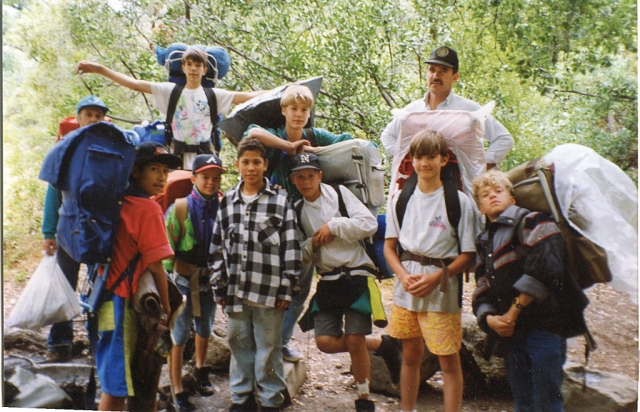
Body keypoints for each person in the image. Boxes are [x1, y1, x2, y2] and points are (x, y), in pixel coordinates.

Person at [244, 84, 354, 361]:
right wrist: (289, 147)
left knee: (300, 287)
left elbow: (351, 140)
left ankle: (279, 343)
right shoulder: (276, 135)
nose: (299, 114)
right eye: (293, 108)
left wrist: (315, 150)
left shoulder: (315, 135)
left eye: (304, 109)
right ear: (284, 110)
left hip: (305, 222)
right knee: (271, 284)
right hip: (274, 223)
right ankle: (262, 345)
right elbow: (252, 133)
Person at [289, 153, 401, 411]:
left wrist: (335, 226)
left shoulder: (339, 194)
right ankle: (383, 344)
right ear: (294, 180)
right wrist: (312, 244)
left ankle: (363, 399)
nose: (306, 181)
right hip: (328, 280)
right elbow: (298, 254)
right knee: (324, 342)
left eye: (310, 175)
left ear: (320, 175)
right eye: (300, 176)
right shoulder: (297, 210)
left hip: (357, 275)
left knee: (353, 338)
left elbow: (369, 224)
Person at [471, 170, 590, 412]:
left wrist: (513, 312)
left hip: (545, 328)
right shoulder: (485, 242)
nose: (492, 195)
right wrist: (490, 319)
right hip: (512, 335)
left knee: (546, 402)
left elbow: (547, 268)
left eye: (498, 190)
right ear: (481, 207)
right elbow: (482, 287)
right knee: (523, 401)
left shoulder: (535, 221)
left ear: (512, 198)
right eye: (485, 194)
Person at [383, 130, 477, 412]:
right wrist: (401, 275)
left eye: (431, 157)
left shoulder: (458, 201)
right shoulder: (400, 197)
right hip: (407, 285)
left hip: (442, 288)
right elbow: (390, 247)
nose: (425, 163)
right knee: (410, 355)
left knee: (448, 359)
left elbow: (468, 255)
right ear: (411, 160)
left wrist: (436, 278)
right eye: (419, 157)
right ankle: (407, 408)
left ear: (444, 159)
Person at [209, 138, 301, 411]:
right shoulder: (227, 202)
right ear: (237, 165)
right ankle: (242, 397)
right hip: (235, 291)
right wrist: (219, 287)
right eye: (246, 162)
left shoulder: (280, 201)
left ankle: (271, 398)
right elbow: (217, 248)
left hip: (269, 291)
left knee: (269, 347)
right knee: (238, 344)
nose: (251, 168)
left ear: (265, 165)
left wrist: (286, 288)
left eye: (256, 162)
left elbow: (291, 248)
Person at [95, 141, 181, 411]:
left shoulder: (118, 202)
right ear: (135, 172)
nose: (162, 177)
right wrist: (166, 310)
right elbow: (157, 267)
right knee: (118, 388)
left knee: (117, 377)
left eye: (165, 171)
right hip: (122, 305)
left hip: (103, 297)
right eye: (154, 169)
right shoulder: (148, 209)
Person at [76, 47, 266, 169]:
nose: (193, 69)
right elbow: (134, 84)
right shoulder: (170, 92)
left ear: (204, 70)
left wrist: (287, 89)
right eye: (189, 64)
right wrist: (100, 69)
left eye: (198, 65)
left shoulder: (213, 95)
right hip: (176, 158)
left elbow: (248, 97)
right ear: (183, 67)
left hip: (205, 160)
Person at [42, 95, 109, 359]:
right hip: (68, 226)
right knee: (64, 285)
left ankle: (98, 342)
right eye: (88, 114)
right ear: (78, 117)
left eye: (98, 115)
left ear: (104, 119)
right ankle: (59, 342)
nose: (93, 119)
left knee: (99, 285)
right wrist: (49, 232)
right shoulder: (65, 149)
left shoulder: (111, 149)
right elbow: (53, 192)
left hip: (100, 230)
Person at [380, 46, 514, 170]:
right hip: (421, 184)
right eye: (432, 70)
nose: (436, 76)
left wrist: (481, 165)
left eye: (443, 71)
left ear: (455, 76)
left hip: (459, 185)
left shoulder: (468, 110)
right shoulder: (412, 110)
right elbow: (387, 135)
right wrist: (403, 158)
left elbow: (504, 139)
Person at [164, 154, 226, 411]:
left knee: (204, 326)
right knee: (178, 333)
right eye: (205, 177)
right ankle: (177, 388)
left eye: (215, 178)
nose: (210, 183)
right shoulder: (179, 209)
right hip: (181, 281)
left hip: (210, 280)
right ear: (194, 179)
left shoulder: (224, 206)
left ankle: (201, 371)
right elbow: (166, 251)